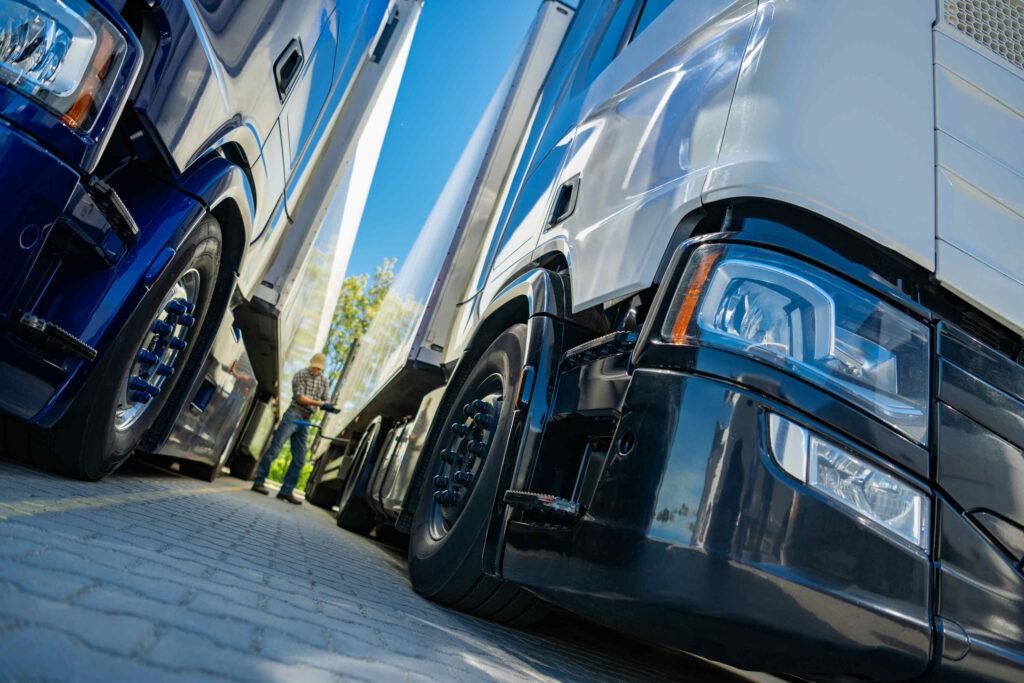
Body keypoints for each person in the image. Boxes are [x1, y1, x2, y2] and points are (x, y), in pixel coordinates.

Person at [251, 352, 334, 504]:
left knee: (300, 458)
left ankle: (286, 491)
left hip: (307, 420)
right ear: (311, 363)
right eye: (315, 367)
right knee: (275, 449)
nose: (316, 370)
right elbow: (299, 397)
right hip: (293, 414)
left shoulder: (324, 380)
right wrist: (321, 404)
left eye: (319, 369)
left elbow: (325, 398)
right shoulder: (300, 375)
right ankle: (258, 481)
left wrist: (328, 405)